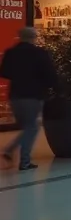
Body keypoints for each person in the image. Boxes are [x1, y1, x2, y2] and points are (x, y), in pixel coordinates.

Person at [0, 27, 57, 171]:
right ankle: (19, 157)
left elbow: (4, 72)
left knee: (27, 127)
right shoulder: (40, 53)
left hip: (15, 95)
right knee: (32, 128)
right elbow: (50, 75)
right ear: (34, 38)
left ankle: (18, 156)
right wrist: (57, 89)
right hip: (33, 95)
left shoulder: (11, 53)